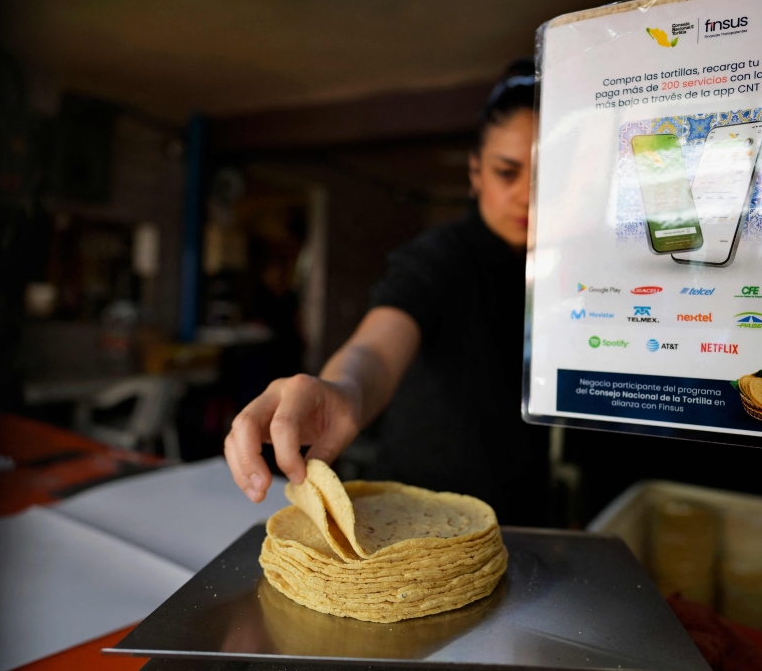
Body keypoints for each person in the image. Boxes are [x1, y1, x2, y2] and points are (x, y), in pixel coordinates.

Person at [224, 59, 551, 526]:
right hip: (415, 518)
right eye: (507, 172)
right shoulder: (439, 257)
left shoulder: (564, 271)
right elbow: (375, 349)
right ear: (475, 172)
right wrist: (343, 388)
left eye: (544, 177)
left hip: (525, 519)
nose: (526, 195)